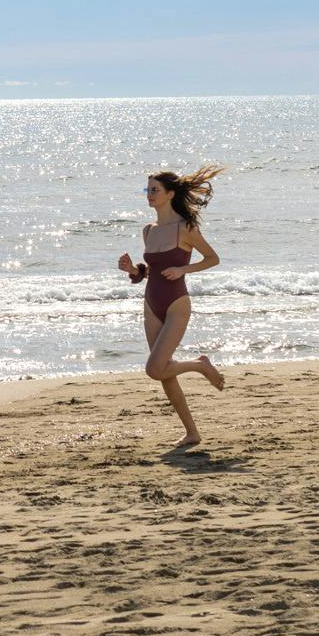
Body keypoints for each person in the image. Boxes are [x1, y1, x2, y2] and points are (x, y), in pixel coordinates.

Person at [117, 166, 227, 449]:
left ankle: (200, 365)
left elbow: (213, 258)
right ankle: (192, 433)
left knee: (155, 369)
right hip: (151, 304)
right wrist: (133, 270)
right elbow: (150, 272)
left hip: (177, 303)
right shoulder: (149, 230)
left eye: (155, 190)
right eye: (148, 190)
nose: (150, 195)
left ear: (170, 194)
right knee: (164, 371)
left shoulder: (185, 228)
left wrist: (183, 269)